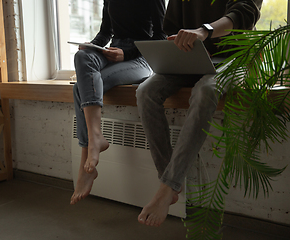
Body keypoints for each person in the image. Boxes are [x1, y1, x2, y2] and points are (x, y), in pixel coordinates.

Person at [136, 0, 263, 227]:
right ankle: (170, 183)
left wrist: (204, 31)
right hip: (191, 56)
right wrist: (179, 43)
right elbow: (171, 25)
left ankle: (167, 186)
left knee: (205, 91)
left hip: (235, 58)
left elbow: (245, 13)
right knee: (145, 91)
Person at [70, 0, 166, 205]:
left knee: (80, 88)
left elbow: (161, 37)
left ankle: (86, 158)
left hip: (142, 59)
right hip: (114, 52)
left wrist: (128, 54)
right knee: (82, 56)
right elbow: (106, 32)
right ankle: (96, 139)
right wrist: (92, 45)